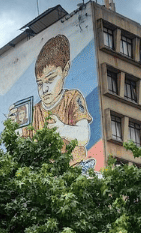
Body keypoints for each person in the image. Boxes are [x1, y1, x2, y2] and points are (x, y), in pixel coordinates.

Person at [10, 34, 93, 169]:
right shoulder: (33, 112)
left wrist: (62, 129)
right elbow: (22, 150)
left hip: (74, 168)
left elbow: (84, 135)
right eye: (39, 84)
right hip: (45, 177)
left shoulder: (72, 97)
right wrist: (13, 130)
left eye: (50, 80)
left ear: (65, 70)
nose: (44, 89)